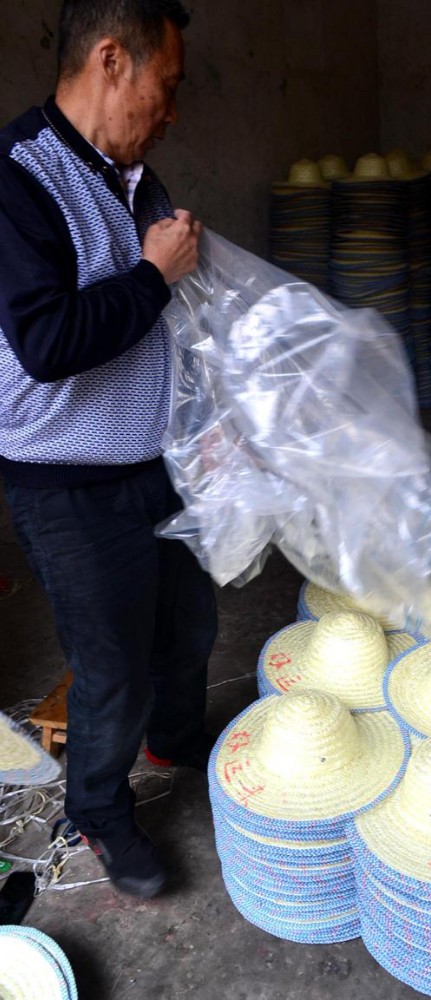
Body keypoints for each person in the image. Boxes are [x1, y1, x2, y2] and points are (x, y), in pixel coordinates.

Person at [0, 0, 218, 898]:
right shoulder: (19, 177)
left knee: (190, 627)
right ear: (111, 60)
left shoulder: (137, 180)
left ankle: (175, 741)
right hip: (65, 482)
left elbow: (163, 323)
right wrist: (153, 273)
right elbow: (47, 342)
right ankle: (97, 809)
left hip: (153, 458)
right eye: (166, 86)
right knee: (112, 668)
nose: (171, 111)